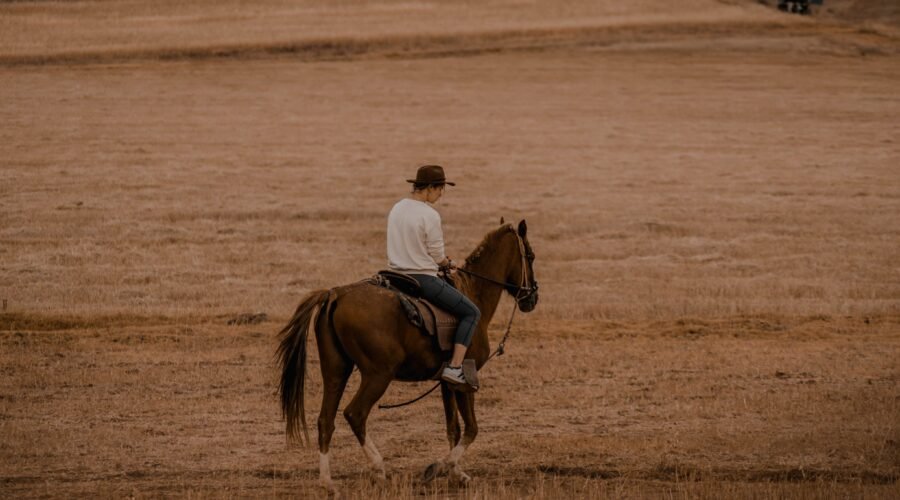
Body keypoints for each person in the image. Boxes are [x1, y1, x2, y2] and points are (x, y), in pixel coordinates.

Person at [387, 165, 481, 386]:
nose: (441, 195)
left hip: (394, 275)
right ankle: (455, 368)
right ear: (429, 188)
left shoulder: (397, 207)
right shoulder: (429, 214)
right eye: (440, 189)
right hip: (422, 278)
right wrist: (448, 263)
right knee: (471, 313)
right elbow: (437, 255)